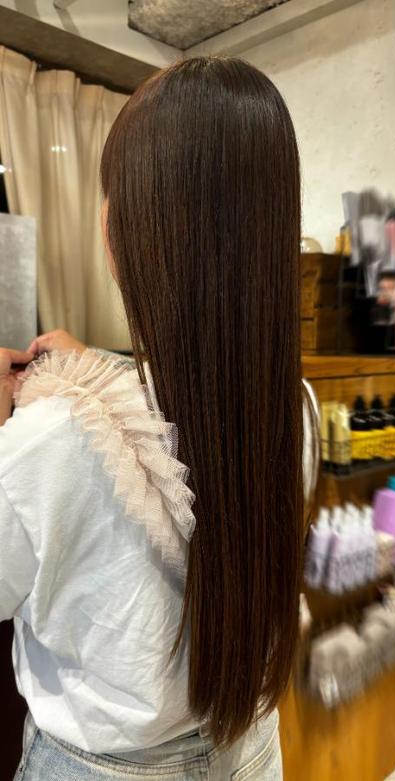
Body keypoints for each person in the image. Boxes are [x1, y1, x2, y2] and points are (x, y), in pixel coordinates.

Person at [0, 57, 310, 780]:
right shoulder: (287, 410)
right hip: (251, 751)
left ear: (116, 232)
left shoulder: (47, 441)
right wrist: (95, 371)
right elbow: (178, 428)